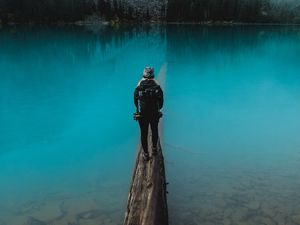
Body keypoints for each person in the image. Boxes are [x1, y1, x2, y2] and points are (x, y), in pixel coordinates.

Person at [134, 67, 164, 161]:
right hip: (154, 114)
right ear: (153, 75)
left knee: (144, 133)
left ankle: (146, 154)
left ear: (143, 74)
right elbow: (161, 103)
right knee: (154, 131)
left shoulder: (138, 87)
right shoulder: (157, 87)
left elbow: (135, 102)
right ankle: (154, 149)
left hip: (142, 115)